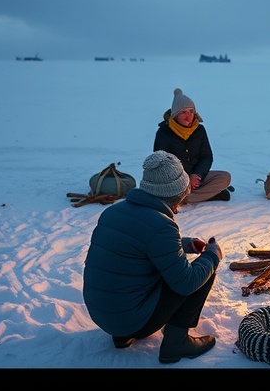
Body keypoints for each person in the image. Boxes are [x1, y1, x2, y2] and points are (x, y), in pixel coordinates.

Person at [83, 150, 224, 364]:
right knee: (201, 272)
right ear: (175, 192)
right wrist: (212, 256)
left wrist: (184, 244)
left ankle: (122, 336)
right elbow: (186, 283)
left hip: (104, 316)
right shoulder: (161, 226)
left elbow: (139, 244)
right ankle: (176, 343)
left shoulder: (115, 212)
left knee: (146, 271)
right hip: (131, 319)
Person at [154, 88, 233, 204]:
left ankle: (183, 198)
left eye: (191, 112)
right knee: (165, 188)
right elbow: (162, 163)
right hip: (174, 180)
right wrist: (186, 178)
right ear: (175, 114)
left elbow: (206, 156)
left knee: (225, 177)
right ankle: (203, 195)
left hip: (196, 178)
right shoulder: (164, 132)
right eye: (184, 112)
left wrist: (197, 175)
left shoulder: (199, 130)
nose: (188, 116)